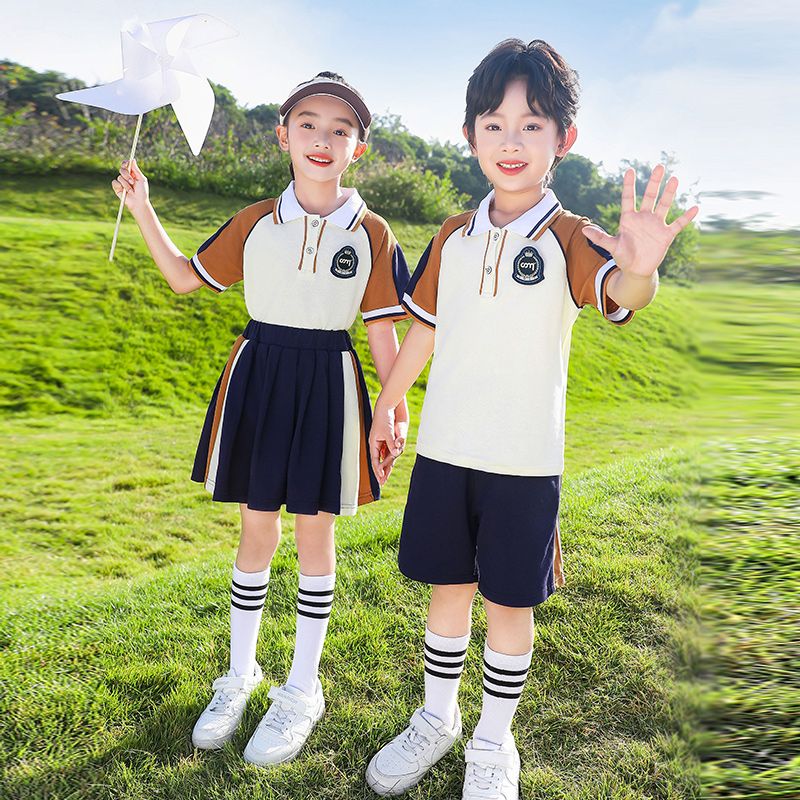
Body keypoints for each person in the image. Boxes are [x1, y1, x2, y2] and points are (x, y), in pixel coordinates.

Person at [364, 39, 698, 799]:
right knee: (446, 594)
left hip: (523, 461)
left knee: (509, 605)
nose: (510, 142)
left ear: (563, 140)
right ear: (471, 136)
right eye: (494, 124)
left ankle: (492, 741)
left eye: (532, 124)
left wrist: (641, 267)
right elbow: (425, 326)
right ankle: (437, 718)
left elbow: (622, 295)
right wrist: (391, 398)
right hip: (448, 451)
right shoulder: (453, 233)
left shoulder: (573, 236)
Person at [111, 72, 410, 767]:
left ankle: (303, 687)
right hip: (258, 371)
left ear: (358, 148)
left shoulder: (370, 230)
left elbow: (382, 329)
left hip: (329, 382)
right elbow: (187, 277)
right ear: (284, 134)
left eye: (341, 130)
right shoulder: (255, 219)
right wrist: (145, 207)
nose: (323, 140)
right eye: (308, 124)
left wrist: (393, 411)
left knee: (315, 534)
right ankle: (241, 674)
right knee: (255, 529)